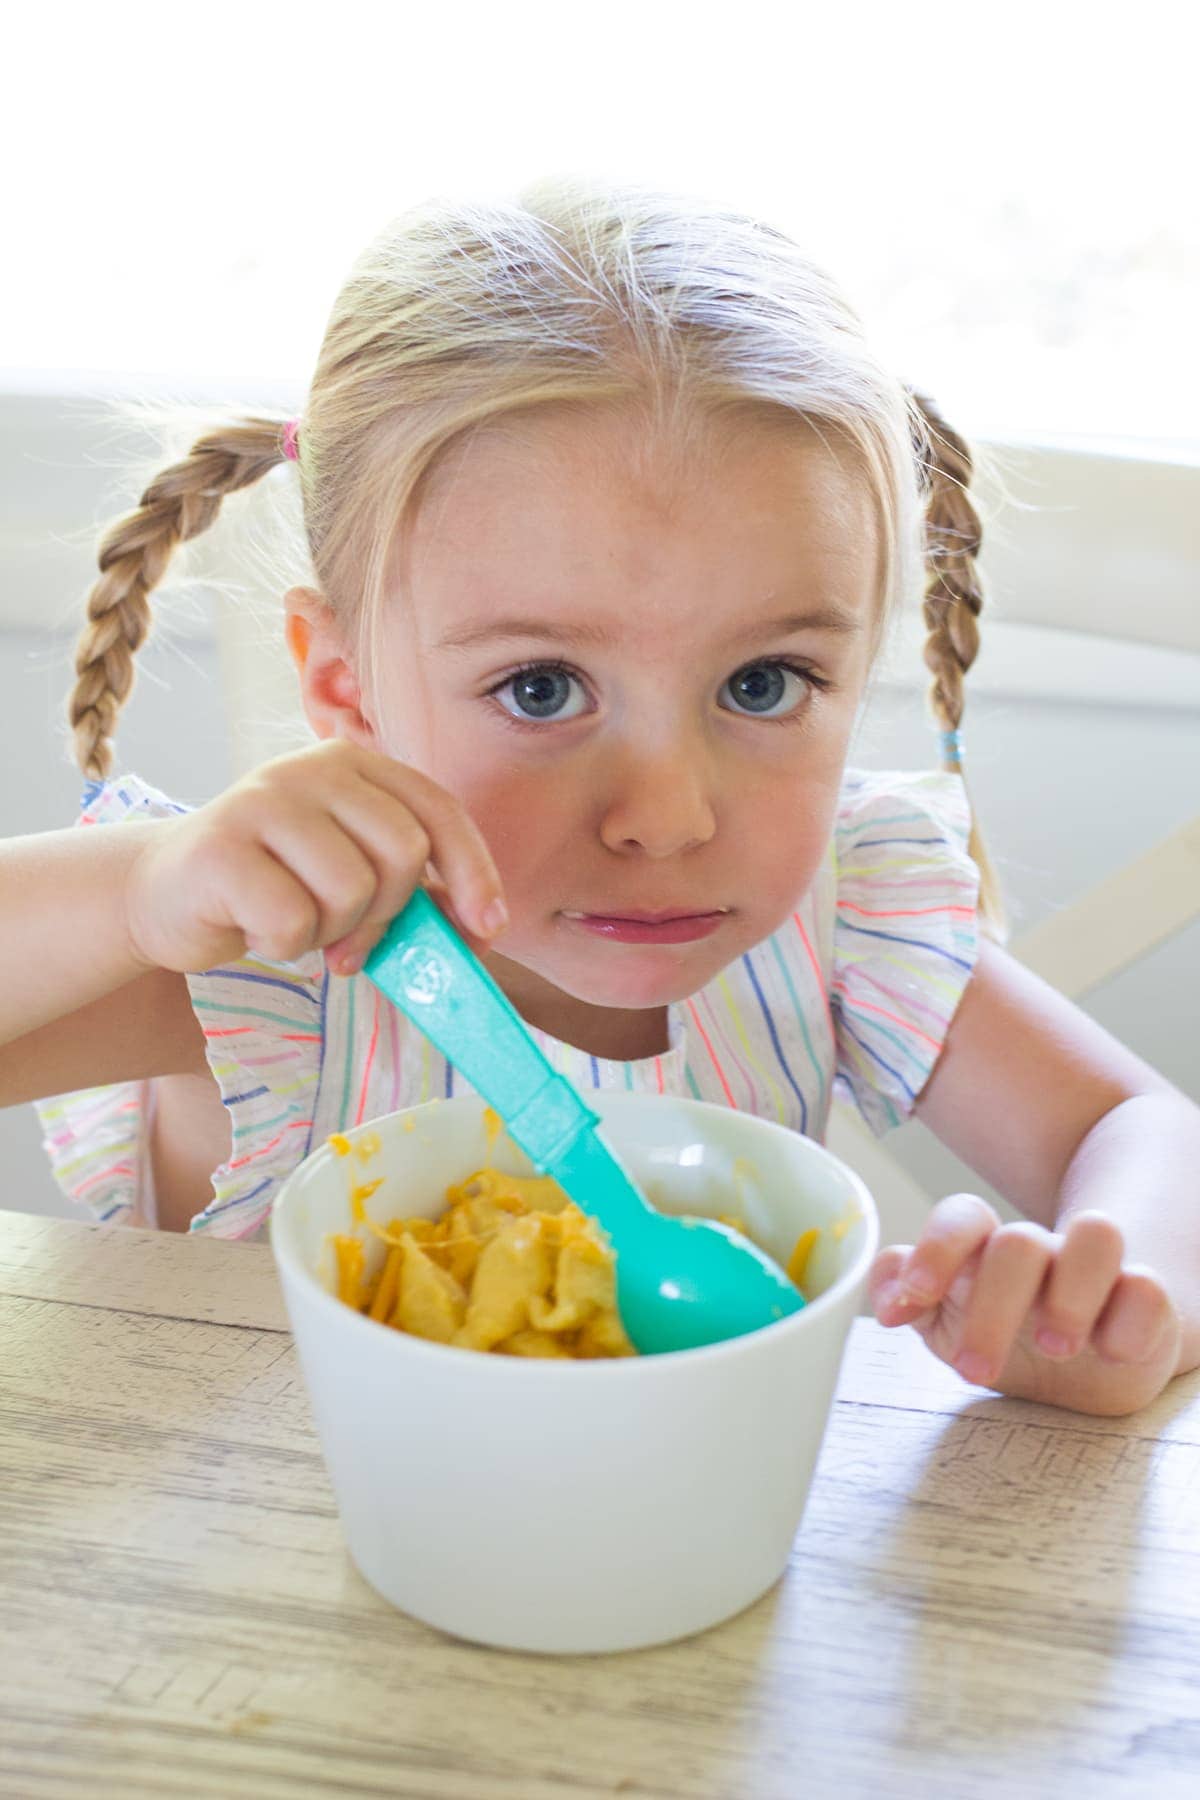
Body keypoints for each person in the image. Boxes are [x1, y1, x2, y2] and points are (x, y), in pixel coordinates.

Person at [1, 177, 1196, 1418]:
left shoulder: (836, 923)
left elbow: (1148, 1134)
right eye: (539, 690)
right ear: (345, 688)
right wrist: (133, 895)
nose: (666, 816)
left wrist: (1110, 1298)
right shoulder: (279, 955)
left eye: (764, 681)